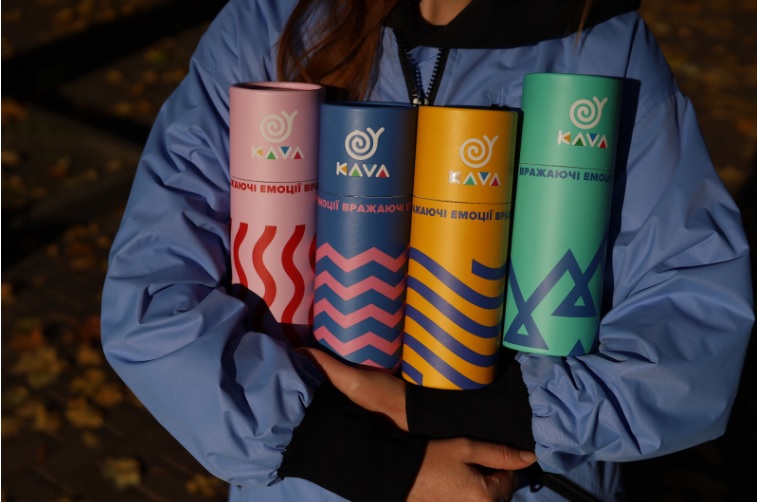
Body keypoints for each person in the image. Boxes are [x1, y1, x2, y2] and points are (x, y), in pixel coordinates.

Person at [100, 0, 755, 500]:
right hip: (311, 486)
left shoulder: (602, 42)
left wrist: (472, 414)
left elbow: (694, 318)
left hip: (517, 484)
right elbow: (153, 295)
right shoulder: (270, 23)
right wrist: (364, 460)